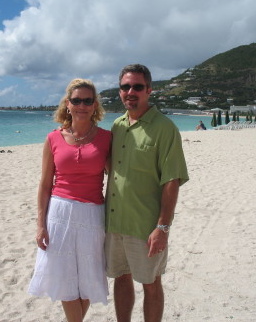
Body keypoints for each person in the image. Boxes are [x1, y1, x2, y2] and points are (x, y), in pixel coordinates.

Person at [105, 64, 189, 322]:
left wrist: (162, 227)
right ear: (119, 92)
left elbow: (172, 180)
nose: (130, 91)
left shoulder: (165, 128)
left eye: (137, 86)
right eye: (125, 87)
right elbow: (112, 168)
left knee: (151, 283)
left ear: (149, 90)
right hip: (115, 222)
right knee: (121, 277)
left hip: (146, 226)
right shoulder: (117, 125)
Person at [28, 79, 111, 322]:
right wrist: (40, 224)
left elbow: (119, 178)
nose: (82, 105)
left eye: (87, 101)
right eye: (76, 100)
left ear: (95, 105)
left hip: (93, 215)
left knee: (88, 277)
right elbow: (44, 185)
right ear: (67, 104)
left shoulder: (107, 138)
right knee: (64, 277)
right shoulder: (53, 138)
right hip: (59, 214)